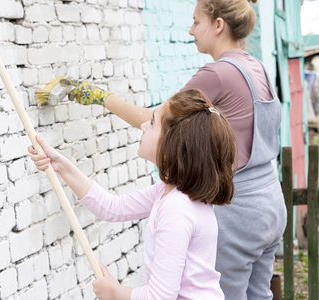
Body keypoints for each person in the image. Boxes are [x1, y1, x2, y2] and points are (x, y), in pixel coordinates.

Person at [58, 0, 287, 299]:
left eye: (196, 21)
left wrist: (102, 97)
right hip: (271, 203)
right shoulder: (258, 67)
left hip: (238, 212)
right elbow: (113, 206)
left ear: (218, 25)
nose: (190, 30)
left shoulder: (217, 74)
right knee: (260, 295)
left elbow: (164, 120)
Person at [29, 89, 236, 300]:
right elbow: (112, 207)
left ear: (172, 145)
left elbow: (160, 297)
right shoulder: (172, 192)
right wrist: (61, 166)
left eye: (153, 123)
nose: (143, 125)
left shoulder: (177, 209)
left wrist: (115, 293)